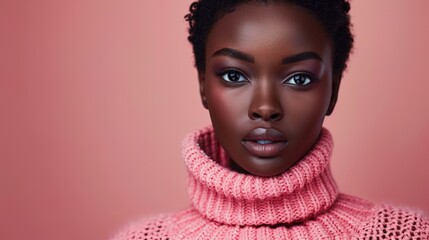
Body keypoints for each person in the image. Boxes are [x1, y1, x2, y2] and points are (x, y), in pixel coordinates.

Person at [112, 0, 429, 239]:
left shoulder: (405, 234)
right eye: (234, 75)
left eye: (299, 79)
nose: (265, 107)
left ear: (333, 91)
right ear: (202, 85)